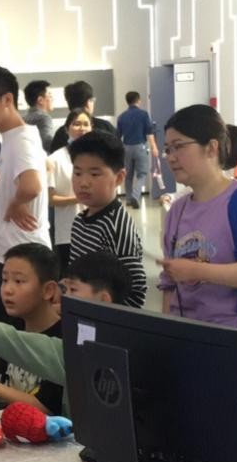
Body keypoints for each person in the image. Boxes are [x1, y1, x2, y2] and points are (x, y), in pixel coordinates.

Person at [157, 104, 237, 396]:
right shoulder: (177, 210)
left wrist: (198, 270)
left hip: (236, 351)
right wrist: (167, 337)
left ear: (211, 147)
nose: (171, 157)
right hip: (188, 347)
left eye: (179, 146)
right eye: (167, 149)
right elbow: (169, 286)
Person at [0, 251, 129, 418]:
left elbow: (26, 348)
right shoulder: (20, 326)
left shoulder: (85, 347)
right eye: (4, 280)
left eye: (73, 289)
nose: (64, 297)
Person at [0, 64, 50, 324]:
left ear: (7, 99)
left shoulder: (21, 139)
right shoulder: (14, 137)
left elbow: (32, 186)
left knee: (18, 333)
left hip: (22, 256)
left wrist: (15, 204)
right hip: (13, 252)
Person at [0, 244, 64, 414]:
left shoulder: (62, 341)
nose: (7, 290)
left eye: (18, 281)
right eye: (4, 280)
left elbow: (46, 408)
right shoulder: (13, 326)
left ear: (48, 290)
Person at [68, 131, 147, 308]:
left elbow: (135, 291)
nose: (83, 183)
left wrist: (107, 317)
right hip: (81, 311)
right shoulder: (79, 221)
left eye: (94, 174)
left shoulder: (118, 227)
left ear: (119, 178)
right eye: (77, 173)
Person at [48, 110, 87, 274]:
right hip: (68, 231)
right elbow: (51, 199)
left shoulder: (99, 157)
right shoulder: (55, 159)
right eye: (76, 124)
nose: (82, 128)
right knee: (71, 276)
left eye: (86, 124)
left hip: (96, 228)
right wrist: (78, 199)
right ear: (66, 129)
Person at [115, 91, 160, 209]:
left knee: (128, 175)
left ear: (127, 101)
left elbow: (117, 136)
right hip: (140, 147)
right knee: (142, 174)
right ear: (138, 100)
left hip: (126, 148)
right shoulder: (144, 114)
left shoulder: (122, 116)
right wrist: (154, 147)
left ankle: (129, 199)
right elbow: (149, 132)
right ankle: (135, 196)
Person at [49, 80, 117, 151]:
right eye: (92, 100)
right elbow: (119, 153)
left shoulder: (60, 133)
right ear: (88, 102)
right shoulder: (106, 127)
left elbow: (54, 155)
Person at [22, 79, 56, 153]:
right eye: (50, 96)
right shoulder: (44, 118)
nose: (53, 99)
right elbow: (48, 143)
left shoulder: (23, 118)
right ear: (40, 100)